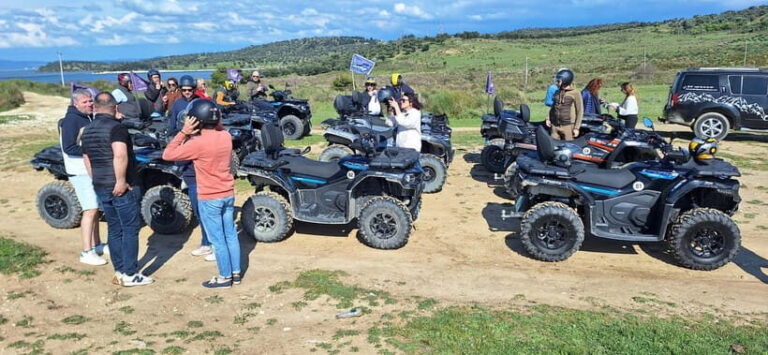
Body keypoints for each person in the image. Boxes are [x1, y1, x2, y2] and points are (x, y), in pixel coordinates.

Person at [162, 100, 240, 289]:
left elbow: (167, 154)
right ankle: (235, 273)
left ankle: (224, 277)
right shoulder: (225, 136)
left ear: (195, 120)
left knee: (217, 239)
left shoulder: (197, 143)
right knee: (230, 235)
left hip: (209, 196)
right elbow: (217, 126)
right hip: (228, 193)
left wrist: (184, 131)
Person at [81, 92, 153, 287]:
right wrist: (120, 181)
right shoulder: (117, 128)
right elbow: (120, 155)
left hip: (101, 185)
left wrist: (95, 178)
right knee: (130, 228)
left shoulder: (87, 130)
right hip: (120, 186)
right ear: (115, 108)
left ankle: (119, 270)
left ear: (95, 107)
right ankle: (130, 273)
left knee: (114, 228)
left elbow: (86, 158)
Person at [60, 89, 108, 266]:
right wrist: (92, 150)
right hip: (79, 171)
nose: (89, 104)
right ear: (75, 104)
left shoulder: (88, 117)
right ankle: (86, 251)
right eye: (85, 102)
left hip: (90, 170)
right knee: (90, 209)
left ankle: (97, 245)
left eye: (90, 101)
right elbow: (68, 147)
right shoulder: (71, 120)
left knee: (95, 208)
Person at [169, 75, 213, 259]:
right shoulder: (176, 105)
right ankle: (207, 241)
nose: (187, 93)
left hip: (198, 154)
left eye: (190, 90)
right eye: (184, 90)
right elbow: (172, 127)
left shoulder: (200, 103)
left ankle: (210, 242)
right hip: (185, 152)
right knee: (198, 207)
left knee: (203, 207)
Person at [546, 69, 583, 141]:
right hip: (555, 126)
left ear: (566, 80)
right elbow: (553, 107)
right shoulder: (557, 91)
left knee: (568, 148)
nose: (556, 82)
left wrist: (576, 128)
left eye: (559, 80)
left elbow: (580, 111)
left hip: (568, 126)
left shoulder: (575, 93)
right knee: (553, 147)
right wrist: (548, 118)